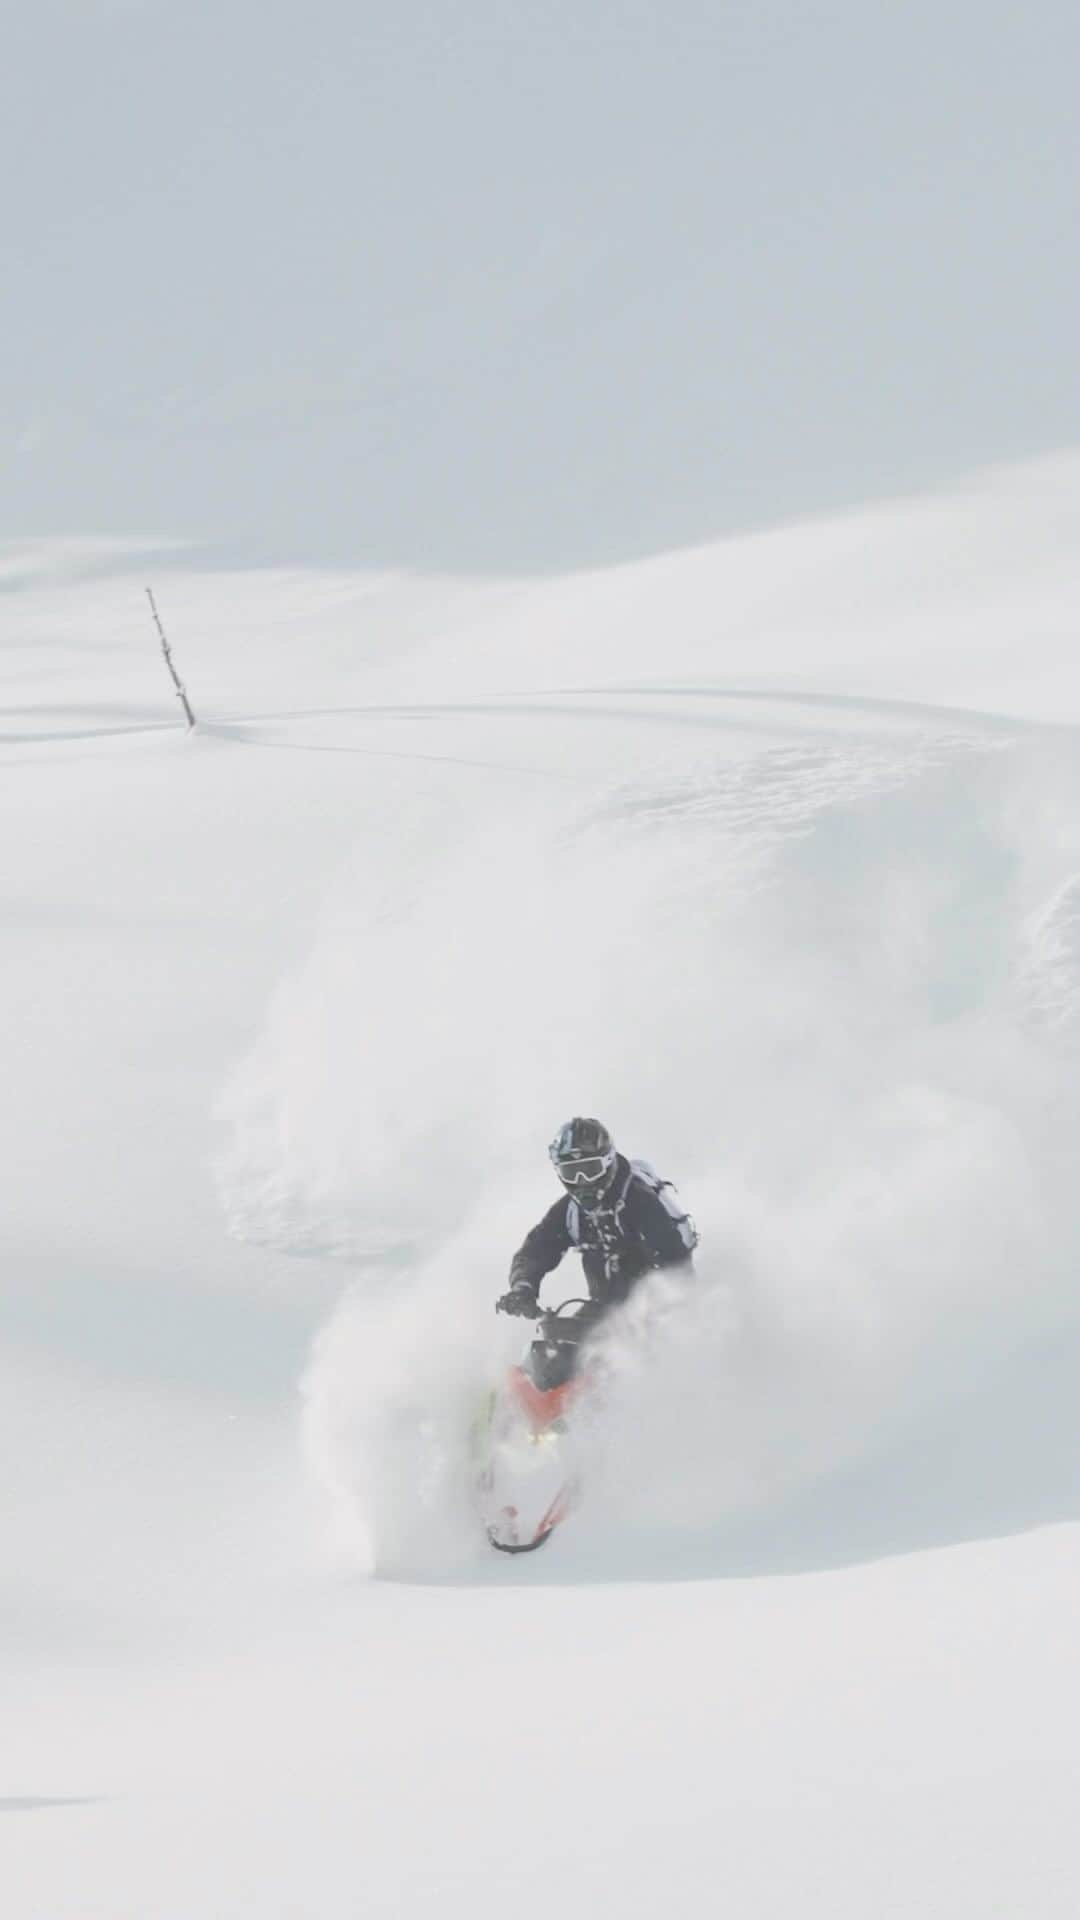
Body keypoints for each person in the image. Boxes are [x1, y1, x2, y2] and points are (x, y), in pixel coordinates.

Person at [497, 1117, 698, 1322]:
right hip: (603, 1310)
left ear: (608, 1163)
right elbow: (537, 1249)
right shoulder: (571, 1211)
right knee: (551, 1346)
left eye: (590, 1170)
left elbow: (677, 1264)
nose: (581, 1182)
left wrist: (662, 1311)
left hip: (656, 1312)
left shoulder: (640, 1201)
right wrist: (523, 1287)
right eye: (571, 1172)